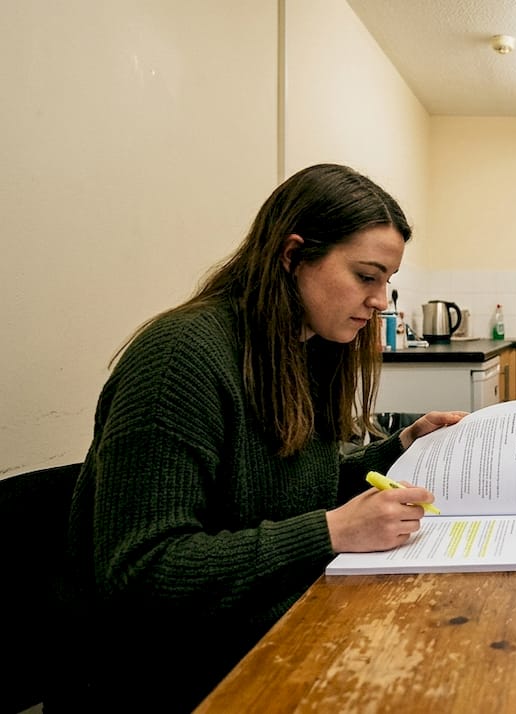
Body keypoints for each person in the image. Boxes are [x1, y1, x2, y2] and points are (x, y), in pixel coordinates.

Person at [56, 164, 466, 712]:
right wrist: (332, 532)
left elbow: (291, 490)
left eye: (388, 280)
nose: (382, 301)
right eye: (367, 276)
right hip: (177, 674)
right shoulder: (180, 358)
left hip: (269, 630)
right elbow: (143, 571)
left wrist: (400, 447)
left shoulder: (304, 351)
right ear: (293, 255)